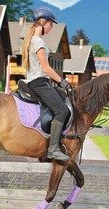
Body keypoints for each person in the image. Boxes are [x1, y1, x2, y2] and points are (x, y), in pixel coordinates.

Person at [21, 7, 72, 161]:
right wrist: (62, 82)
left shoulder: (32, 40)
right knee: (62, 110)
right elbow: (46, 68)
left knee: (61, 99)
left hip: (37, 81)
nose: (52, 27)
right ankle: (53, 149)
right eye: (51, 23)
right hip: (39, 82)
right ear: (43, 22)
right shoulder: (38, 41)